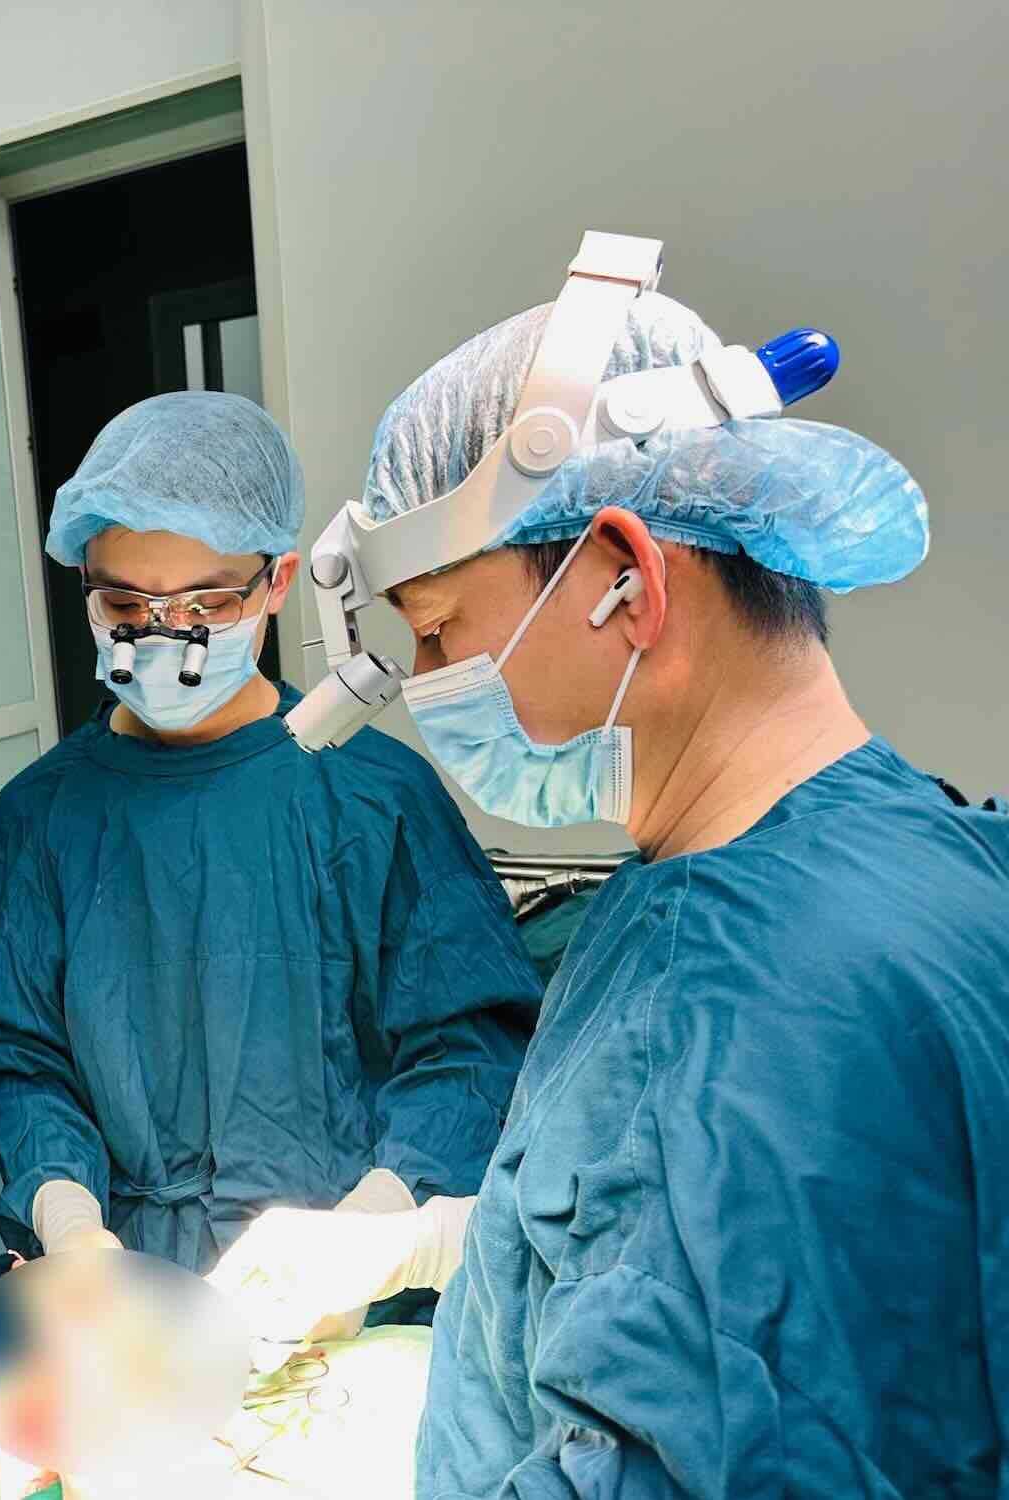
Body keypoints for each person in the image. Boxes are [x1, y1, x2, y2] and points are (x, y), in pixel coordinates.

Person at [208, 284, 1009, 1495]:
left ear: (625, 579)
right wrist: (433, 1243)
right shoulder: (920, 845)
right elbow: (706, 1253)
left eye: (436, 630)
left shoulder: (732, 1009)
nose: (425, 683)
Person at [0, 393, 539, 1385]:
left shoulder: (373, 798)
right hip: (115, 1303)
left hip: (340, 1300)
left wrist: (374, 1228)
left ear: (278, 581)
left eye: (204, 605)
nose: (165, 637)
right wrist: (67, 1216)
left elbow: (468, 1049)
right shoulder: (39, 820)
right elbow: (19, 1058)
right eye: (126, 607)